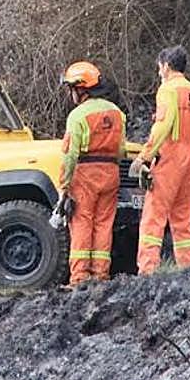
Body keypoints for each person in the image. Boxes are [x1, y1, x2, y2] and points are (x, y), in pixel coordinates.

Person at [129, 46, 190, 274]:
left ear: (166, 66)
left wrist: (145, 157)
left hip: (171, 159)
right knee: (183, 219)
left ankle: (147, 270)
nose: (158, 73)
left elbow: (162, 126)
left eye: (159, 68)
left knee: (153, 216)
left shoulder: (168, 91)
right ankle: (189, 268)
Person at [58, 61, 126, 287]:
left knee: (82, 223)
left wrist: (64, 185)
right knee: (104, 224)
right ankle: (100, 275)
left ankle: (79, 278)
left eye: (71, 89)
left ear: (80, 88)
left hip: (86, 174)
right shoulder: (117, 113)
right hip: (111, 173)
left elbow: (69, 155)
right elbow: (121, 149)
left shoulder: (78, 116)